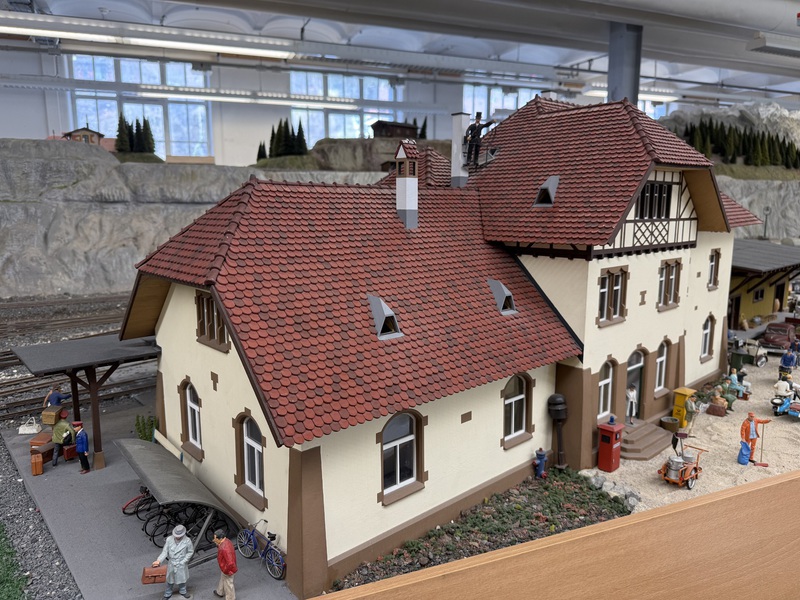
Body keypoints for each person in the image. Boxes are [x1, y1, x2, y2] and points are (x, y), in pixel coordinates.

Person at [153, 524, 194, 599]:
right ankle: (168, 593)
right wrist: (158, 560)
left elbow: (190, 552)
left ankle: (183, 591)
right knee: (170, 580)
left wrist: (184, 561)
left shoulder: (187, 541)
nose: (177, 537)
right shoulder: (169, 539)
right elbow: (165, 552)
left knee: (182, 579)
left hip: (181, 563)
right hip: (172, 563)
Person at [212, 528, 237, 599]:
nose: (214, 540)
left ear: (220, 538)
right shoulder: (227, 541)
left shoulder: (224, 548)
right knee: (223, 579)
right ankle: (220, 592)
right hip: (225, 568)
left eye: (215, 539)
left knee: (229, 585)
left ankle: (230, 598)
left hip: (228, 569)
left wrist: (225, 570)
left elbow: (230, 563)